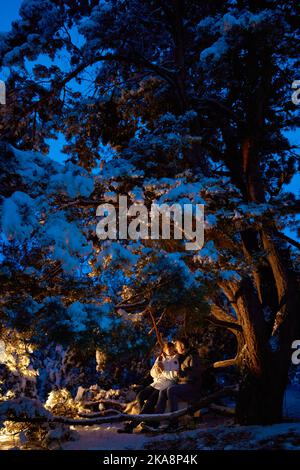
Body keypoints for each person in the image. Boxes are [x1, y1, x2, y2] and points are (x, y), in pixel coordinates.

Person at [118, 341, 179, 433]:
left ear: (174, 348)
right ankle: (147, 420)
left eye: (171, 348)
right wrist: (157, 371)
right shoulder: (160, 358)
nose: (169, 350)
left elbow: (174, 376)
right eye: (167, 348)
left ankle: (132, 425)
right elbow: (152, 373)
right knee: (140, 396)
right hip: (156, 383)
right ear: (164, 349)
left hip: (166, 385)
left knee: (150, 402)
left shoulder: (175, 359)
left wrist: (163, 370)